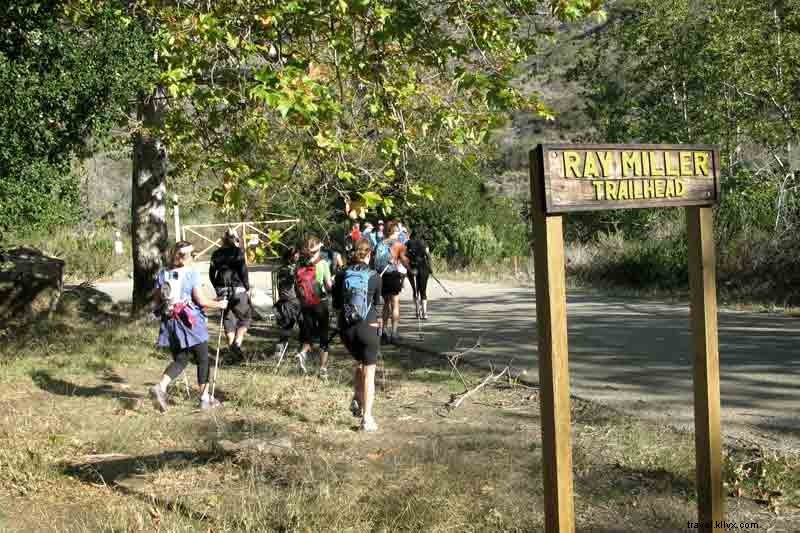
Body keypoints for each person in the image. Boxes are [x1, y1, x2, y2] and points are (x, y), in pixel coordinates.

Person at [150, 241, 228, 412]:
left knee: (181, 359)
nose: (194, 258)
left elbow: (156, 302)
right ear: (184, 258)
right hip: (190, 322)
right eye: (192, 255)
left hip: (171, 322)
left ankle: (160, 387)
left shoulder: (163, 275)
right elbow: (200, 301)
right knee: (203, 359)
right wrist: (220, 305)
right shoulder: (190, 273)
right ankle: (204, 398)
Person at [332, 238, 383, 432]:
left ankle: (356, 396)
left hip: (347, 330)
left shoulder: (341, 274)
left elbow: (336, 305)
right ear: (369, 254)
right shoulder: (375, 276)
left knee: (359, 363)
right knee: (369, 373)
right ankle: (367, 419)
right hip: (367, 327)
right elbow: (378, 304)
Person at [209, 228, 251, 362]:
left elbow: (211, 273)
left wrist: (217, 287)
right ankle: (237, 344)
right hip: (238, 288)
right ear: (234, 239)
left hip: (222, 289)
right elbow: (243, 271)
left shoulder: (216, 254)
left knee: (228, 319)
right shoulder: (238, 252)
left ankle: (233, 349)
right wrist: (247, 286)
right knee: (245, 317)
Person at [294, 236, 334, 378]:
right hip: (320, 303)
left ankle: (303, 353)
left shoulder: (300, 264)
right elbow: (329, 285)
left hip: (305, 304)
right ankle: (323, 369)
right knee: (324, 337)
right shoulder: (323, 263)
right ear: (318, 248)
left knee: (308, 335)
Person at [374, 220, 409, 344]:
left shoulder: (379, 244)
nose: (400, 231)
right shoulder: (399, 245)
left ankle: (384, 331)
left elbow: (375, 262)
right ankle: (394, 333)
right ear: (394, 231)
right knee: (395, 303)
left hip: (381, 276)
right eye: (398, 229)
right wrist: (411, 269)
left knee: (386, 304)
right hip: (393, 275)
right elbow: (404, 261)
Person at [273, 246, 301, 358]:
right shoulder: (288, 270)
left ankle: (300, 352)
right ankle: (279, 351)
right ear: (290, 257)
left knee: (293, 328)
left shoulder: (283, 269)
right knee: (287, 328)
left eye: (298, 255)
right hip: (290, 302)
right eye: (295, 255)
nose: (297, 257)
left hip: (290, 301)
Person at [405, 229, 433, 320]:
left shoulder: (408, 243)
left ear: (411, 235)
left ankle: (417, 312)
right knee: (423, 291)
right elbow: (428, 256)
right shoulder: (424, 243)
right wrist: (430, 268)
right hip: (423, 268)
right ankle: (424, 313)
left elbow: (405, 255)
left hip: (412, 268)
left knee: (415, 290)